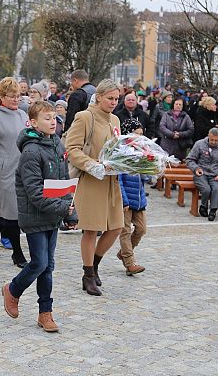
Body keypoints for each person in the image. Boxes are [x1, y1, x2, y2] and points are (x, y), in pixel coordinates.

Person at [2, 101, 74, 332]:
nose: (53, 121)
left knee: (48, 266)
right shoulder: (31, 151)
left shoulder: (57, 145)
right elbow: (34, 193)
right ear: (33, 123)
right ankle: (13, 289)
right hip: (35, 215)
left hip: (52, 214)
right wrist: (62, 208)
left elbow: (64, 185)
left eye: (54, 117)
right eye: (46, 118)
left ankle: (46, 313)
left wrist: (71, 214)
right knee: (40, 262)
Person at [65, 79, 124, 296]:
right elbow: (71, 148)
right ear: (98, 96)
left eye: (116, 99)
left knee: (116, 227)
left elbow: (117, 149)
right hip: (91, 181)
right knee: (91, 229)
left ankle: (95, 265)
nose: (113, 103)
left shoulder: (115, 119)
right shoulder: (84, 117)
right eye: (110, 98)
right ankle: (88, 274)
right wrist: (92, 164)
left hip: (111, 181)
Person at [0, 77, 29, 267]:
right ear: (1, 96)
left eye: (18, 96)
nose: (16, 100)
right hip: (3, 173)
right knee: (11, 214)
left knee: (5, 212)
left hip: (22, 170)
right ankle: (17, 253)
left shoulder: (22, 116)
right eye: (11, 96)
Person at [116, 118, 148, 276]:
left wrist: (149, 168)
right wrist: (123, 199)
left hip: (139, 197)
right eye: (137, 134)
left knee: (141, 229)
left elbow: (143, 179)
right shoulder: (121, 152)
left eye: (141, 134)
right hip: (126, 198)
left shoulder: (140, 151)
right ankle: (130, 263)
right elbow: (118, 179)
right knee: (125, 231)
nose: (140, 138)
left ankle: (123, 253)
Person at [185, 127, 218, 221]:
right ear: (208, 136)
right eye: (211, 139)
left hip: (215, 175)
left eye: (216, 140)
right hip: (201, 173)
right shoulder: (199, 144)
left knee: (216, 189)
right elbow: (189, 159)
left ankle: (213, 210)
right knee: (206, 189)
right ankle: (203, 206)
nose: (213, 142)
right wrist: (196, 168)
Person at [158, 96, 194, 161]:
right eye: (176, 104)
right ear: (173, 104)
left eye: (180, 104)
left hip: (180, 148)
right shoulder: (166, 115)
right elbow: (162, 127)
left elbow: (191, 130)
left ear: (183, 106)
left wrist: (180, 134)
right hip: (166, 145)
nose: (178, 106)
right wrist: (172, 134)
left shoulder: (186, 117)